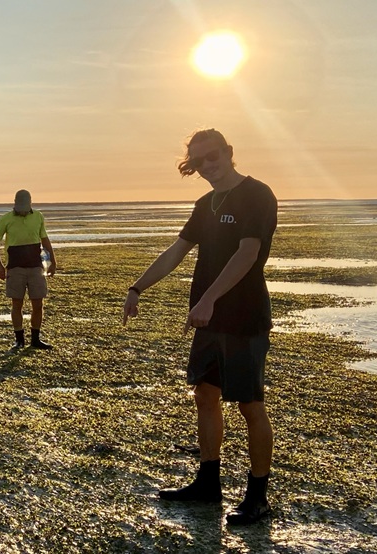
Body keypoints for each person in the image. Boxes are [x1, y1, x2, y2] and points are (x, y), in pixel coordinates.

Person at [122, 129, 277, 526]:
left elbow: (248, 254)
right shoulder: (205, 203)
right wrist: (138, 287)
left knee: (249, 403)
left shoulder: (257, 194)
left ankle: (258, 496)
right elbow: (177, 250)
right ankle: (209, 484)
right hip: (208, 321)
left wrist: (209, 298)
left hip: (243, 317)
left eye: (212, 157)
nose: (207, 166)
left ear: (228, 152)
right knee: (205, 396)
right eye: (198, 162)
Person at [0, 189, 56, 349]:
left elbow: (45, 239)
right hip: (14, 268)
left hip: (36, 267)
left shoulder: (38, 216)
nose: (22, 210)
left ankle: (35, 339)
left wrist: (53, 261)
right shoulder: (6, 219)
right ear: (14, 203)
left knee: (38, 304)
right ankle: (19, 340)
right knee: (17, 304)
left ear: (30, 204)